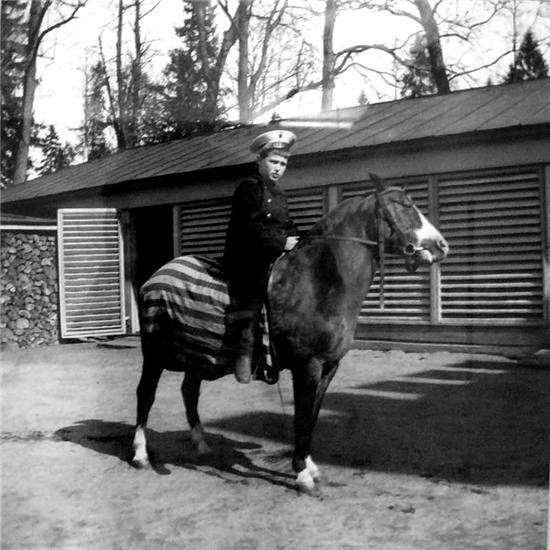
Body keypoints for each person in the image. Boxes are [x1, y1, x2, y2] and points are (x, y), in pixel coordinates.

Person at [224, 130, 299, 384]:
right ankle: (245, 353)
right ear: (260, 161)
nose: (279, 168)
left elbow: (288, 226)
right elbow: (251, 229)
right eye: (274, 162)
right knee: (255, 298)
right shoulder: (248, 189)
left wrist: (298, 241)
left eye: (283, 163)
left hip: (272, 258)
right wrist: (281, 242)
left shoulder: (279, 195)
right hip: (247, 260)